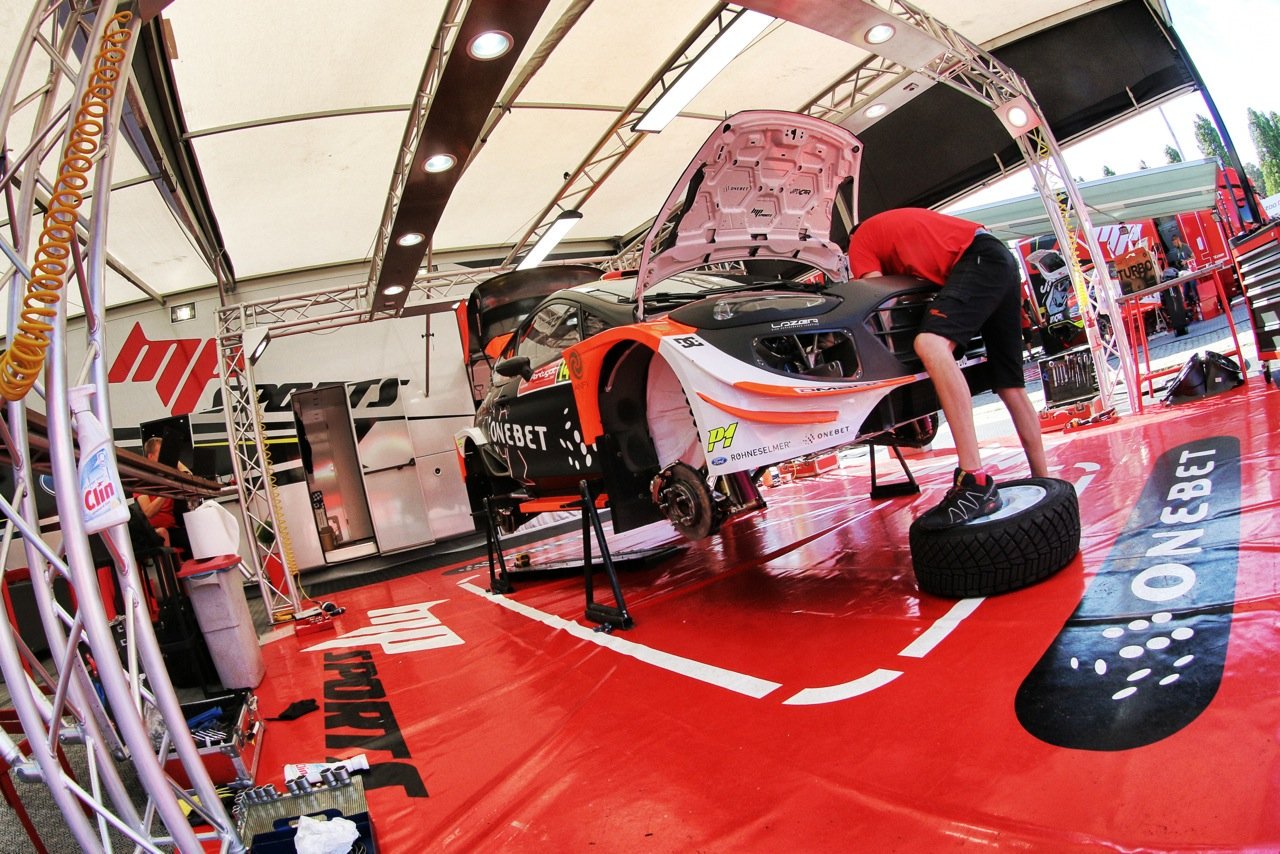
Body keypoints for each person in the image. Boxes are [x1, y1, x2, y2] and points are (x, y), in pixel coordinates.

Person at [849, 208, 1048, 526]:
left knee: (930, 344)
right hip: (998, 257)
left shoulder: (860, 239)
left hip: (977, 259)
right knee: (1010, 385)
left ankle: (974, 481)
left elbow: (879, 304)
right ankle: (1046, 483)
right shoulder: (892, 229)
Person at [135, 437, 189, 548]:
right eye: (162, 454)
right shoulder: (141, 480)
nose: (166, 457)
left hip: (173, 528)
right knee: (190, 538)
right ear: (150, 457)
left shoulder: (167, 475)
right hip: (154, 531)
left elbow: (190, 478)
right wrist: (167, 492)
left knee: (197, 532)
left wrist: (175, 461)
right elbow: (148, 512)